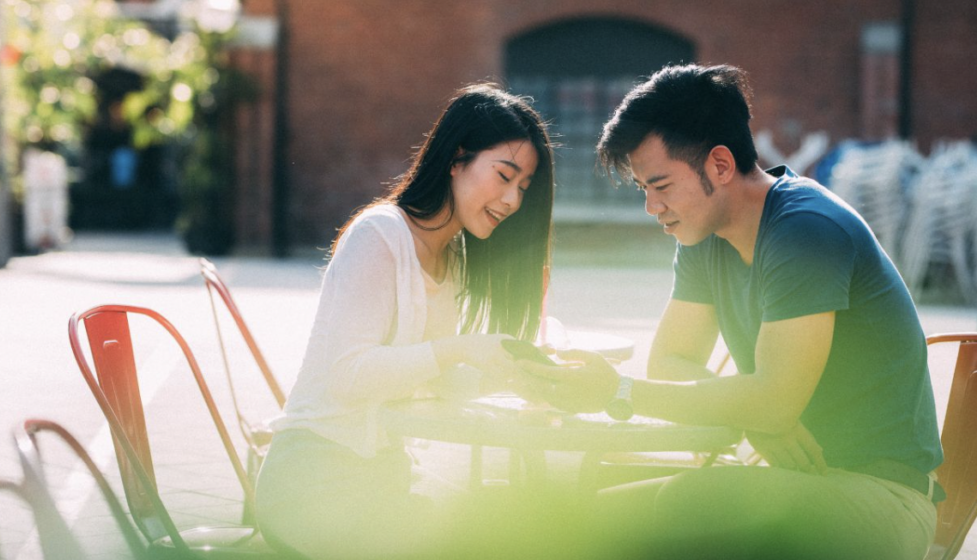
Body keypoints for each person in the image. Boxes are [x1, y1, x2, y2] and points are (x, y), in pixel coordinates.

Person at [521, 64, 943, 560]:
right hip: (790, 486)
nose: (651, 207)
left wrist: (618, 390)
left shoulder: (805, 228)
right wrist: (759, 414)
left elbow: (772, 401)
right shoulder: (704, 236)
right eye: (642, 189)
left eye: (662, 185)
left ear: (720, 166)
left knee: (629, 517)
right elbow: (671, 362)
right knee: (586, 510)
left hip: (881, 500)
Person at [254, 83, 555, 559]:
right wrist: (460, 349)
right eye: (504, 175)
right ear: (456, 158)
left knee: (516, 519)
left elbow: (429, 378)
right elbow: (348, 376)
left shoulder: (451, 257)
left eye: (523, 187)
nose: (513, 200)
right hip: (311, 485)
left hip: (378, 483)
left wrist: (516, 374)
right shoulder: (379, 234)